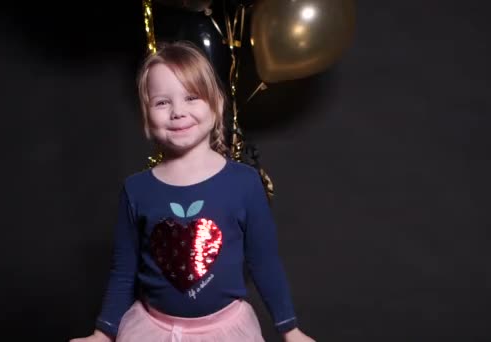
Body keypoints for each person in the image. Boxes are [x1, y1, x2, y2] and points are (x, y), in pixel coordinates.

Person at [70, 41, 314, 342]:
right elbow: (124, 270)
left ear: (216, 106)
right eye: (162, 102)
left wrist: (290, 330)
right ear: (146, 118)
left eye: (191, 97)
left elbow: (264, 262)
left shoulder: (244, 183)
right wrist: (102, 333)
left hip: (224, 331)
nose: (177, 112)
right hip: (151, 330)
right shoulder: (137, 190)